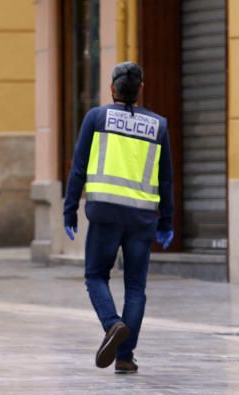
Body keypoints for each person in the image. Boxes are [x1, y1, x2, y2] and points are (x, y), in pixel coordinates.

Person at [63, 61, 174, 375]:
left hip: (105, 213)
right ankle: (125, 357)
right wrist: (167, 221)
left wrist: (69, 209)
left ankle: (112, 325)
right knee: (136, 287)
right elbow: (166, 178)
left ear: (112, 88)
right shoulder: (159, 126)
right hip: (142, 217)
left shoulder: (96, 118)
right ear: (141, 89)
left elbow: (78, 167)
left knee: (96, 276)